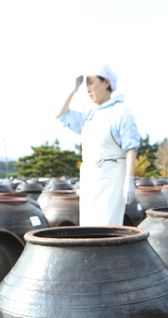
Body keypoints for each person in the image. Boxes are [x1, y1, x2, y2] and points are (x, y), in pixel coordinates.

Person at [56, 64, 140, 226]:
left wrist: (129, 180)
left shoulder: (121, 112)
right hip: (90, 178)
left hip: (112, 176)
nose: (88, 89)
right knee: (88, 227)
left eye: (91, 83)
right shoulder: (90, 113)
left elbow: (130, 148)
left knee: (106, 227)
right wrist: (72, 89)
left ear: (106, 82)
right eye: (85, 84)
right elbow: (61, 115)